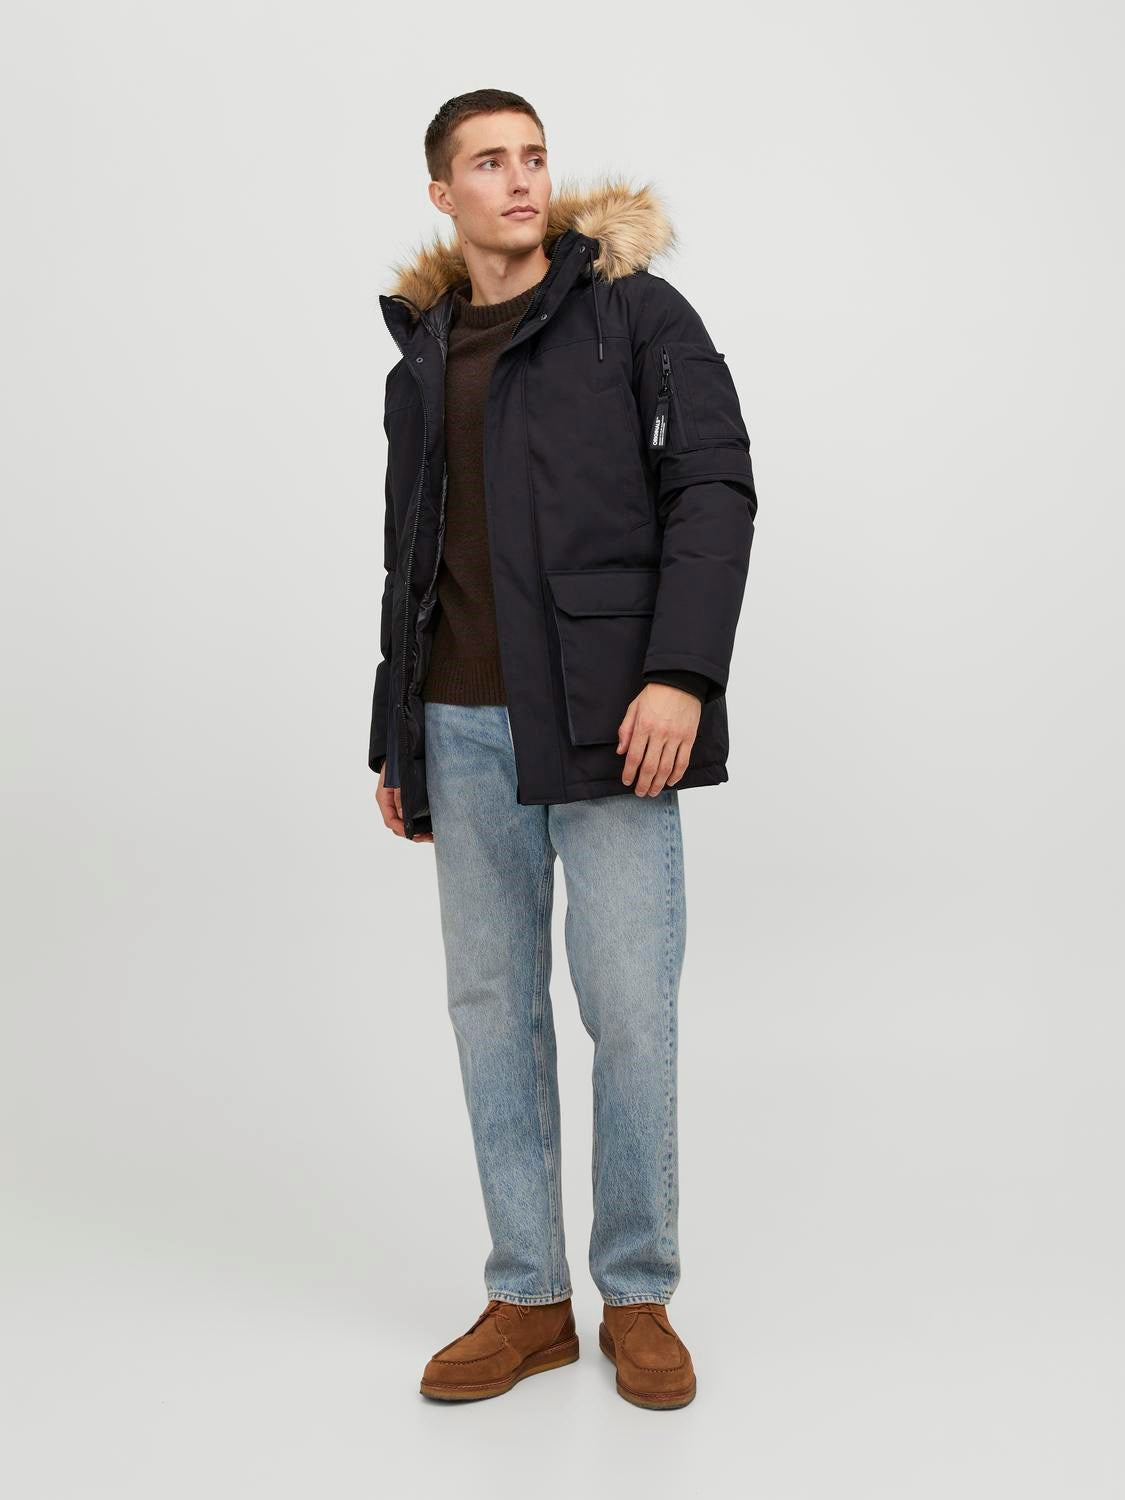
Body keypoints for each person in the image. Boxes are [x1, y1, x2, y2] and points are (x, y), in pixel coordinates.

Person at [369, 89, 758, 1409]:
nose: (521, 179)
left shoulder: (633, 314)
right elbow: (408, 560)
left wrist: (680, 673)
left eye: (533, 156)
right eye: (489, 162)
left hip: (611, 721)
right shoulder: (421, 356)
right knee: (492, 1013)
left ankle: (636, 1294)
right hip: (458, 724)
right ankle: (528, 1296)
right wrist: (395, 736)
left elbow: (713, 486)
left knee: (630, 1011)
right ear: (444, 195)